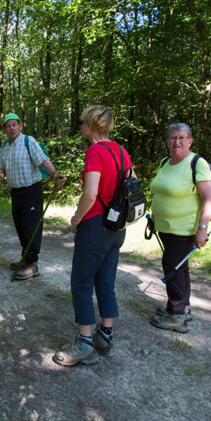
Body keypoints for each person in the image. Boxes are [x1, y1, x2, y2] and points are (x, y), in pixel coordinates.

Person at [53, 106, 131, 366]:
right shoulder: (122, 151)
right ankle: (105, 337)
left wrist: (76, 218)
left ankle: (85, 342)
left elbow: (90, 194)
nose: (81, 127)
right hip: (117, 227)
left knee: (81, 282)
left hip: (95, 225)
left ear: (92, 125)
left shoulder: (95, 151)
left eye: (83, 123)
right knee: (106, 282)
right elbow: (131, 187)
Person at [148, 123, 211, 333]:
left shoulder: (197, 163)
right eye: (172, 138)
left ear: (190, 141)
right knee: (179, 266)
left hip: (184, 228)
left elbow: (209, 198)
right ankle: (180, 307)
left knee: (173, 267)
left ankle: (176, 314)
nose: (176, 142)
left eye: (181, 138)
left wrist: (202, 228)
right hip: (165, 226)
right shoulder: (165, 162)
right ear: (167, 141)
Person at [0, 113, 66, 281]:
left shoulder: (28, 141)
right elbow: (1, 170)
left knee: (31, 227)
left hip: (32, 191)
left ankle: (32, 264)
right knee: (21, 227)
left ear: (20, 126)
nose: (11, 128)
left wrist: (54, 175)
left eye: (14, 125)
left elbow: (43, 161)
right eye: (8, 125)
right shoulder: (5, 146)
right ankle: (26, 259)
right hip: (16, 192)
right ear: (4, 129)